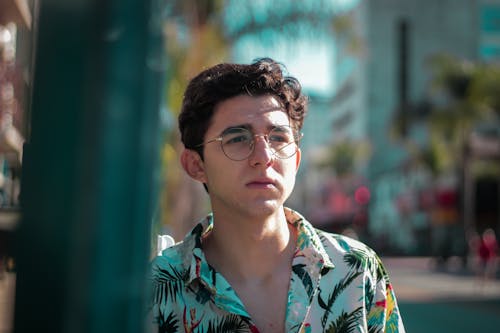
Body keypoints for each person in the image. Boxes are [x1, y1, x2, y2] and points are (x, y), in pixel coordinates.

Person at [149, 58, 405, 333]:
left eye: (278, 138)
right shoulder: (156, 289)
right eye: (237, 138)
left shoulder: (356, 271)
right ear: (196, 165)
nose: (264, 157)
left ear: (295, 160)